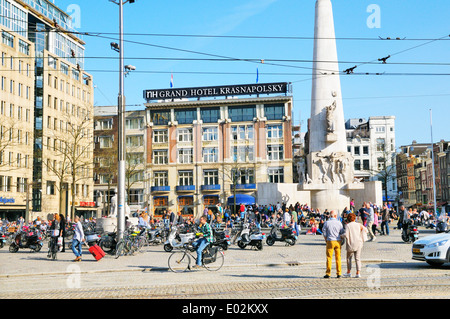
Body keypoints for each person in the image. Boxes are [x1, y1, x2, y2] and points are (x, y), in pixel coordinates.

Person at [342, 213, 366, 278]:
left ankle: (348, 272)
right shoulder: (359, 224)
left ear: (348, 219)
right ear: (354, 218)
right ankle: (358, 273)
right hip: (359, 243)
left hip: (351, 243)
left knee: (349, 258)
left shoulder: (348, 225)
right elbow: (365, 230)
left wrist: (340, 236)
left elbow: (346, 234)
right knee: (357, 258)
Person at [322, 210, 345, 278]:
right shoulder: (339, 223)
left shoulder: (327, 223)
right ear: (335, 216)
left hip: (330, 241)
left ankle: (328, 273)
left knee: (329, 258)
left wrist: (325, 238)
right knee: (338, 258)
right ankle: (339, 273)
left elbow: (324, 231)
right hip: (338, 241)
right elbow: (342, 232)